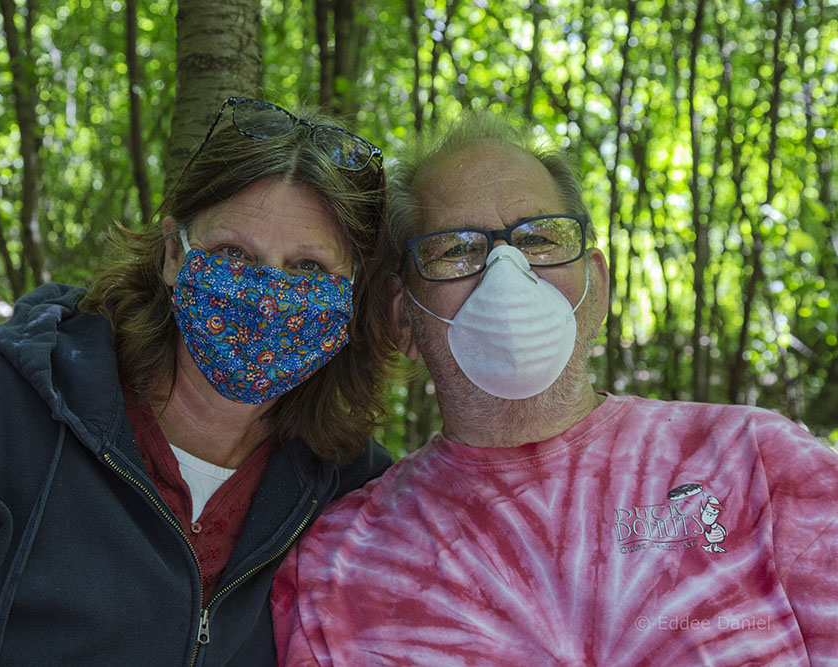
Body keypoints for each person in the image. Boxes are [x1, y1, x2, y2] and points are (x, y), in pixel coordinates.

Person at [0, 97, 395, 665]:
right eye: (234, 252)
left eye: (308, 268)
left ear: (351, 292)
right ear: (173, 254)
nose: (267, 292)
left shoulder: (351, 488)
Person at [272, 111, 838, 664]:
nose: (506, 272)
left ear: (595, 285)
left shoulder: (760, 467)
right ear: (403, 319)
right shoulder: (337, 571)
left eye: (540, 238)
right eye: (456, 249)